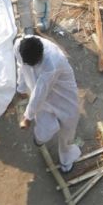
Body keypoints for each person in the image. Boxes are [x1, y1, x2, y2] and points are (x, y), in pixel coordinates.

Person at [15, 35, 81, 173]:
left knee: (68, 127)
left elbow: (41, 91)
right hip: (39, 91)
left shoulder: (52, 62)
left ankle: (66, 158)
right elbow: (21, 67)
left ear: (41, 56)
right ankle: (39, 138)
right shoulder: (19, 47)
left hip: (63, 93)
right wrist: (21, 87)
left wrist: (27, 117)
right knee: (45, 127)